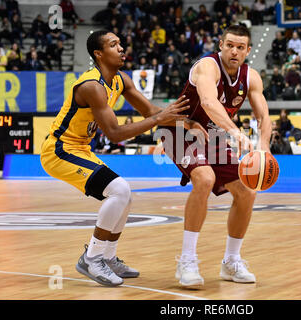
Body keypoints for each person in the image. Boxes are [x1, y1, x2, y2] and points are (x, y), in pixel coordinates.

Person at [40, 30, 204, 287]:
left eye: (120, 43)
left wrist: (190, 122)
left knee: (125, 198)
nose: (121, 47)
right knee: (119, 190)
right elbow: (115, 133)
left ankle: (108, 256)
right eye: (113, 44)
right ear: (99, 54)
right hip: (60, 150)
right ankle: (92, 258)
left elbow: (151, 111)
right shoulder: (91, 86)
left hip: (81, 149)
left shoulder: (121, 80)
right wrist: (157, 120)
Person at [160, 25, 272, 289]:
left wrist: (263, 147)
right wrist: (236, 132)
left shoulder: (251, 77)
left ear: (248, 50)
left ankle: (231, 261)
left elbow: (264, 116)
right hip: (179, 128)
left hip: (213, 134)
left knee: (247, 191)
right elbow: (209, 103)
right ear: (220, 44)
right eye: (230, 45)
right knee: (205, 178)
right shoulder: (207, 67)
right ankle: (187, 261)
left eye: (240, 47)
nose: (234, 51)